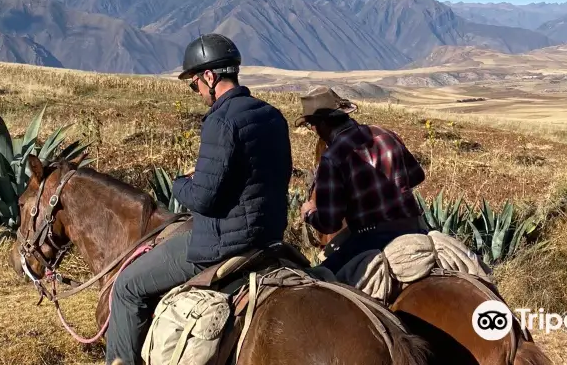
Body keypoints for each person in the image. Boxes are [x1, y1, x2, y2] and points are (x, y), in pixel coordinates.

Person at [104, 33, 294, 365]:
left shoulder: (221, 120)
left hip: (222, 246)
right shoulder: (271, 115)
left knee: (127, 287)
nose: (198, 92)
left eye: (195, 85)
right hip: (269, 237)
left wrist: (181, 183)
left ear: (209, 76)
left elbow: (203, 200)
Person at [298, 86, 428, 276]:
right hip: (415, 227)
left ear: (322, 123)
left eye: (312, 124)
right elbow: (417, 176)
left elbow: (330, 223)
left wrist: (309, 212)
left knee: (316, 281)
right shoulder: (385, 133)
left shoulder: (332, 158)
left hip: (370, 239)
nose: (312, 129)